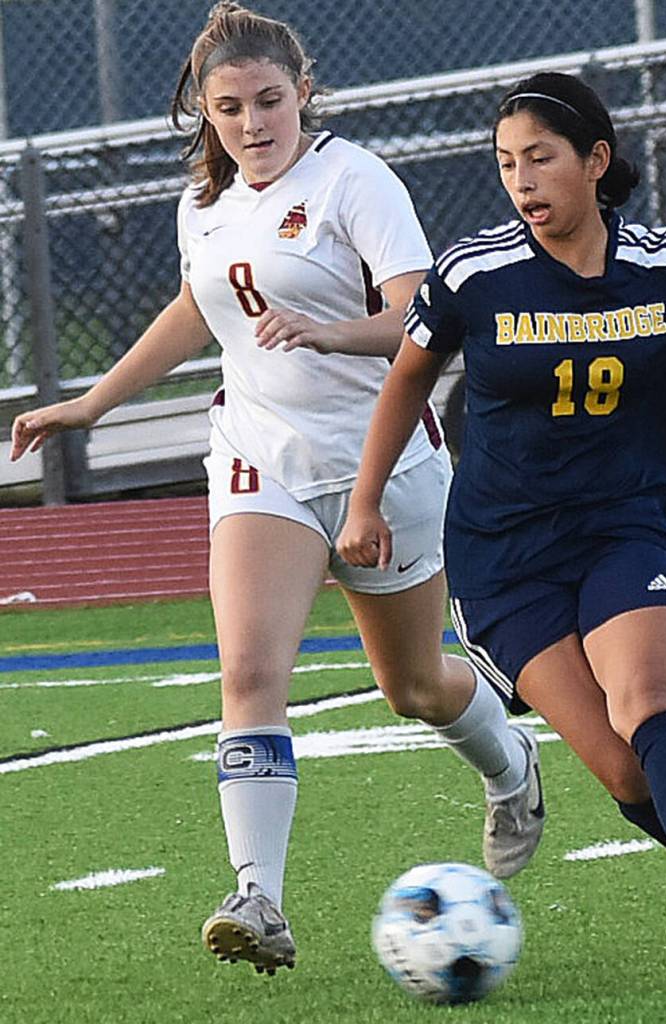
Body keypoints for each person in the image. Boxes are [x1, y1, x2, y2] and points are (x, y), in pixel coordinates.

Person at [8, 2, 546, 977]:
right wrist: (90, 403)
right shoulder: (201, 203)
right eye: (229, 108)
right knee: (250, 673)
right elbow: (191, 310)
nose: (252, 123)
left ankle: (511, 766)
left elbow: (422, 319)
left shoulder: (353, 180)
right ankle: (258, 894)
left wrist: (328, 331)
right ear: (204, 114)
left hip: (380, 467)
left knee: (412, 686)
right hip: (257, 457)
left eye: (267, 101)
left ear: (302, 94)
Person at [337, 71, 666, 969]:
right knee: (620, 769)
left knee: (652, 696)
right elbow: (408, 376)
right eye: (505, 165)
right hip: (502, 556)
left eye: (540, 158)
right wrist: (365, 499)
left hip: (623, 529)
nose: (522, 182)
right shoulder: (473, 272)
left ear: (595, 161)